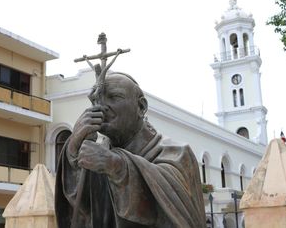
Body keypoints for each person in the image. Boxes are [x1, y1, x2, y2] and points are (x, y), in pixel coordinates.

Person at [55, 72, 206, 228]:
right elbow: (83, 210)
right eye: (96, 99)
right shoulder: (95, 156)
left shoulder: (177, 153)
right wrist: (72, 153)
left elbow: (177, 211)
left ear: (141, 107)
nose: (101, 106)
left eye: (114, 97)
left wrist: (117, 167)